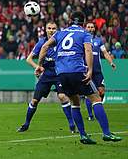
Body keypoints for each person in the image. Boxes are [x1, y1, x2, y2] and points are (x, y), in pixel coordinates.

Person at [37, 11, 122, 144]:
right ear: (83, 22)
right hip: (77, 70)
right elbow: (88, 50)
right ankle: (106, 133)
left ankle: (83, 135)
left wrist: (39, 65)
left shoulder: (59, 33)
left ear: (69, 20)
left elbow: (44, 46)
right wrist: (90, 70)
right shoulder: (84, 34)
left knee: (75, 102)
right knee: (96, 98)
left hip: (61, 74)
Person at [17, 22, 75, 133]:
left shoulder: (62, 42)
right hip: (47, 74)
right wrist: (38, 67)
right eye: (49, 28)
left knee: (62, 96)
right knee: (34, 101)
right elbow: (28, 59)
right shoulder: (42, 42)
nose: (51, 30)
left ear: (57, 30)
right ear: (45, 29)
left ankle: (72, 125)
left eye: (53, 28)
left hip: (59, 74)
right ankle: (26, 124)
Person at [84, 22, 116, 121]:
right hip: (87, 70)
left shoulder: (98, 41)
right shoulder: (82, 40)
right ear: (85, 28)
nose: (90, 28)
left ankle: (98, 110)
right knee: (88, 93)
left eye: (92, 27)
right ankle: (90, 115)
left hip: (97, 71)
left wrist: (111, 62)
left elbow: (105, 53)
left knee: (101, 91)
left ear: (94, 29)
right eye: (88, 27)